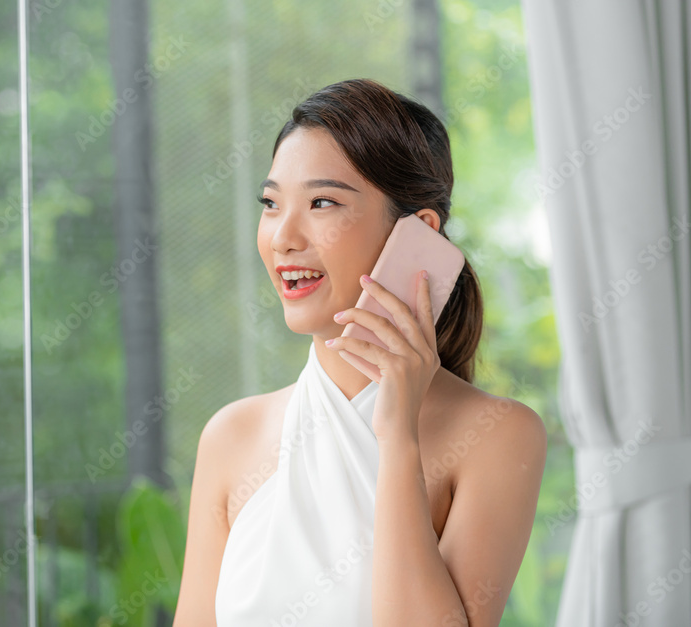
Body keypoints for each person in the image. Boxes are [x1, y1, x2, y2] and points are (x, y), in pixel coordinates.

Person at [172, 78, 547, 626]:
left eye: (322, 202)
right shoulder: (231, 437)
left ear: (418, 233)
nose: (282, 237)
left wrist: (398, 438)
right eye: (272, 203)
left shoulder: (497, 434)